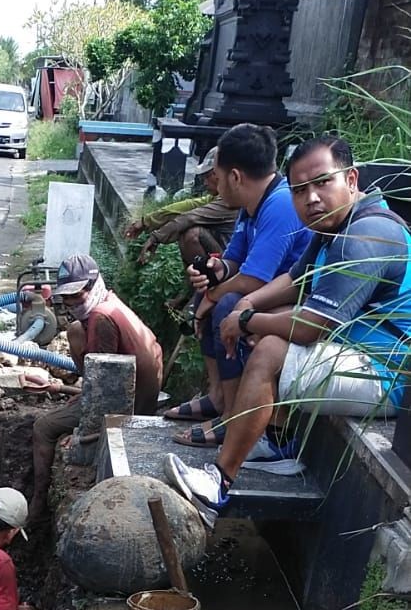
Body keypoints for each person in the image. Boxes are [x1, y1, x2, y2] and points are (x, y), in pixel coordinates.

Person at [166, 134, 411, 517]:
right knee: (260, 329)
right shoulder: (338, 224)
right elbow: (296, 279)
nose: (311, 198)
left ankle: (219, 483)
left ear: (350, 179)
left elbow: (312, 325)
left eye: (322, 182)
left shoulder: (365, 237)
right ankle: (277, 442)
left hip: (387, 375)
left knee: (271, 349)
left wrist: (244, 318)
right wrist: (247, 304)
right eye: (299, 189)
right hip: (353, 352)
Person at [165, 122, 310, 444]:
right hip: (265, 292)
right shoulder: (250, 206)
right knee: (208, 298)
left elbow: (254, 278)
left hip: (293, 297)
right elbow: (234, 262)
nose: (215, 187)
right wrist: (214, 271)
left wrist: (214, 296)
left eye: (216, 177)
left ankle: (233, 417)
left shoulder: (281, 205)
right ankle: (217, 396)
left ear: (235, 177)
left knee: (224, 306)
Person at [29, 253, 163, 527]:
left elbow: (105, 389)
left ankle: (38, 503)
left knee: (43, 427)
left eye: (77, 295)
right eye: (66, 297)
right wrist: (67, 388)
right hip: (136, 392)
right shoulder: (110, 303)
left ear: (93, 285)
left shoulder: (101, 319)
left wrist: (87, 433)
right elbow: (102, 377)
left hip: (129, 406)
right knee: (76, 330)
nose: (71, 303)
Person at [124, 149, 237, 273]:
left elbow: (190, 217)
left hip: (233, 265)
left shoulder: (229, 201)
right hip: (228, 258)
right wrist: (146, 221)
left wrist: (155, 237)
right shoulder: (219, 197)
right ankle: (195, 283)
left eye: (208, 176)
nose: (205, 182)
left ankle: (208, 283)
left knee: (192, 233)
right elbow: (189, 206)